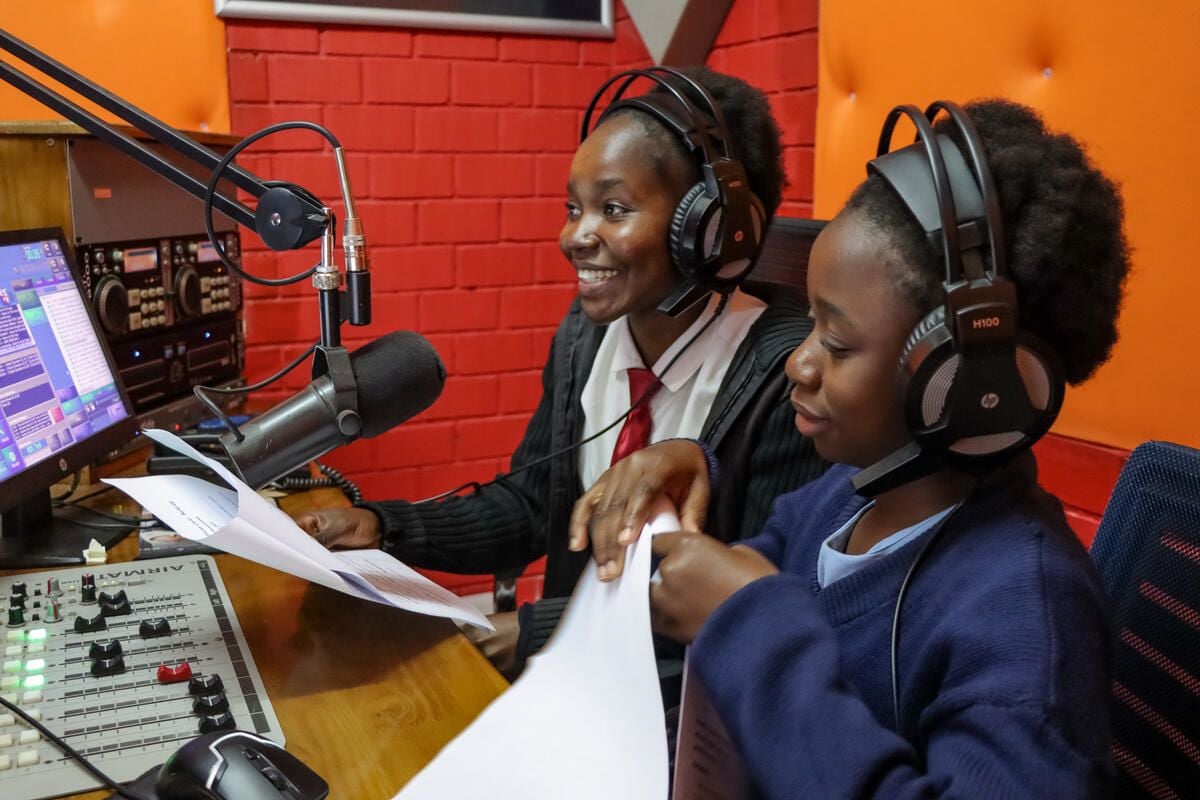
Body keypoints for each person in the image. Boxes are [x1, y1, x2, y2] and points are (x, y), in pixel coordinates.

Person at [571, 99, 1129, 797]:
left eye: (835, 343)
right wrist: (697, 475)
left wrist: (749, 631)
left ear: (961, 380)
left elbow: (765, 614)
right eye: (809, 327)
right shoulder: (853, 493)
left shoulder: (1026, 621)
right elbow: (775, 553)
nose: (797, 366)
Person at [295, 66, 827, 677]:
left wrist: (531, 633)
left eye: (613, 208)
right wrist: (385, 528)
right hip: (576, 687)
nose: (575, 236)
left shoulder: (789, 378)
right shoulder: (587, 333)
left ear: (711, 230)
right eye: (574, 208)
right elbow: (534, 507)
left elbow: (754, 613)